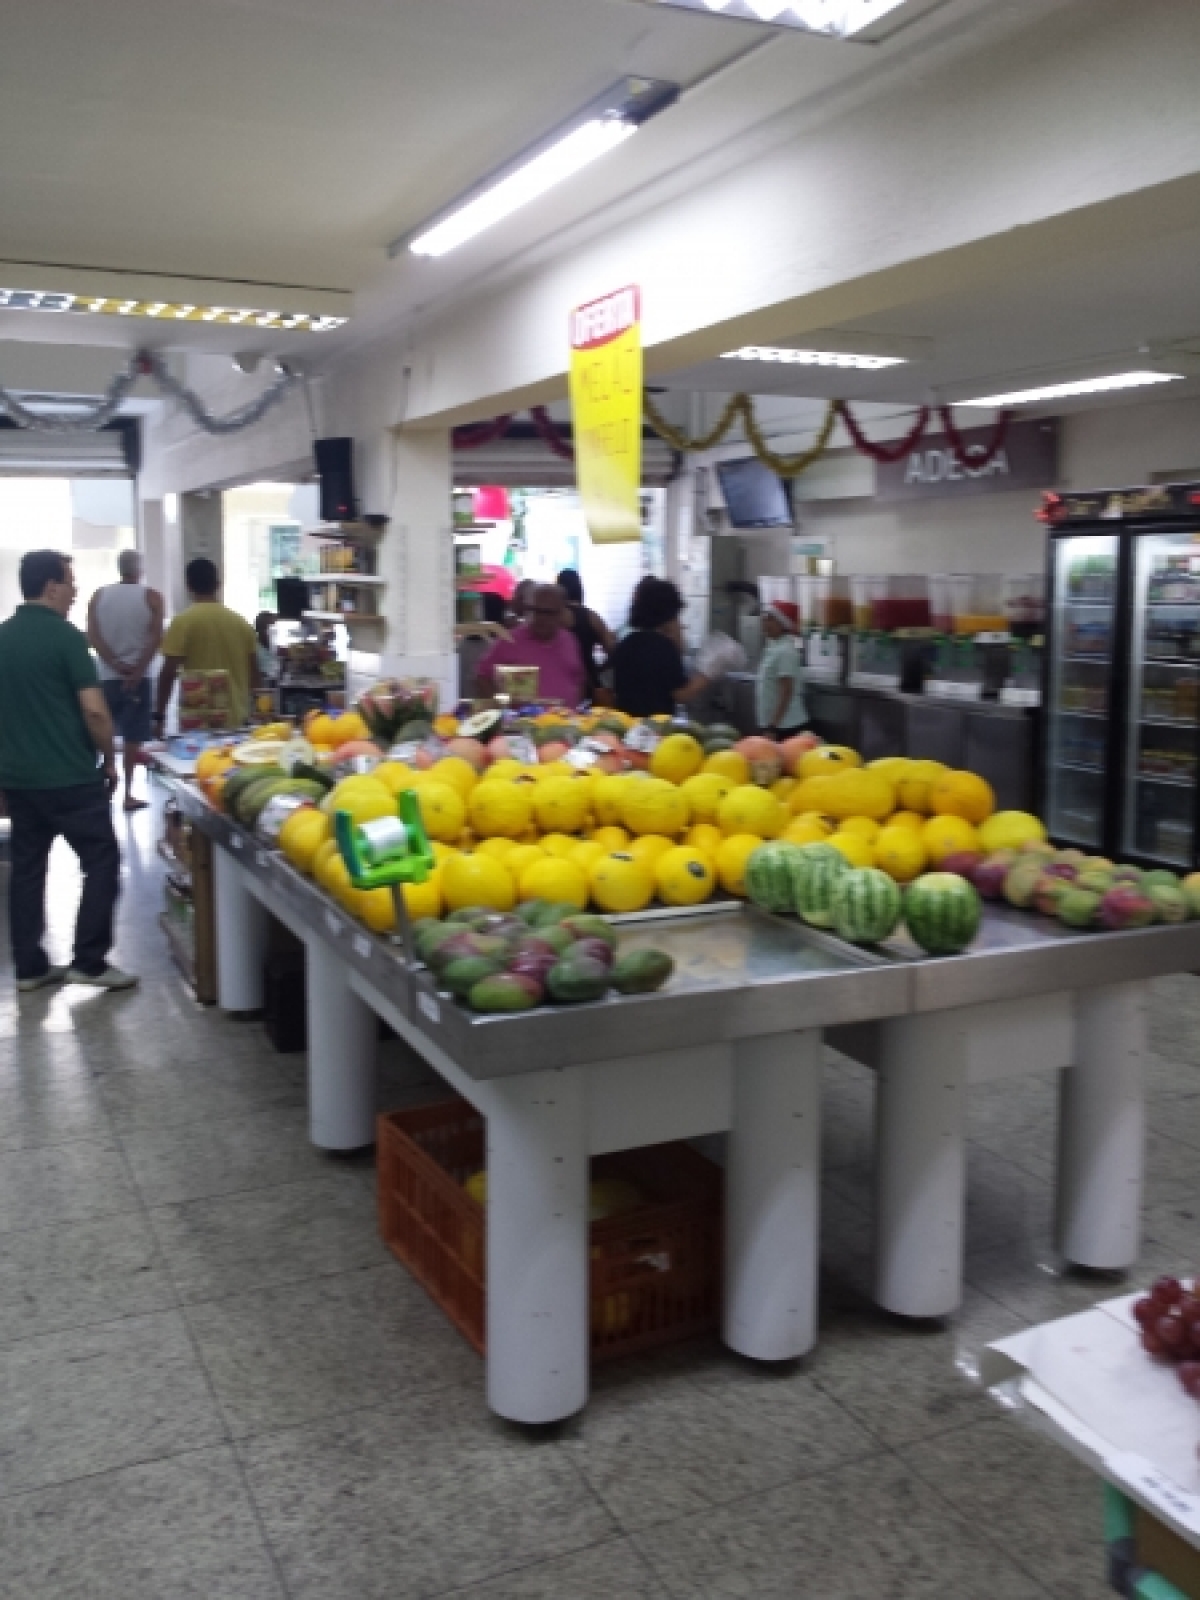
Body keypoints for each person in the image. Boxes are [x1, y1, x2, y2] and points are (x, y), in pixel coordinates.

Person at [0, 550, 137, 992]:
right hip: (71, 779)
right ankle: (90, 962)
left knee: (27, 870)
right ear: (50, 586)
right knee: (101, 861)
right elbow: (95, 712)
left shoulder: (2, 637)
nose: (76, 590)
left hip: (19, 782)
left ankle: (29, 967)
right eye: (70, 581)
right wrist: (111, 759)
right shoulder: (66, 638)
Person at [87, 549, 164, 811]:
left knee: (102, 733)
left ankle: (103, 784)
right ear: (139, 569)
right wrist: (138, 671)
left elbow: (93, 636)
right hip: (139, 681)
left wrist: (115, 664)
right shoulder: (152, 597)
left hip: (106, 676)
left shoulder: (99, 596)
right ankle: (128, 794)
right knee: (132, 738)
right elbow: (156, 637)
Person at [154, 559, 259, 733]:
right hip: (236, 719)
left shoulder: (182, 623)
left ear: (188, 586)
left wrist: (159, 716)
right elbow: (255, 676)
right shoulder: (241, 623)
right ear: (218, 584)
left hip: (197, 721)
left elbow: (168, 673)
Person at [610, 577, 709, 718]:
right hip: (657, 729)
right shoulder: (665, 648)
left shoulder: (625, 644)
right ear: (669, 613)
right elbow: (681, 695)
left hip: (627, 726)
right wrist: (709, 672)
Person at [476, 582, 586, 705]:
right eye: (536, 610)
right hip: (522, 723)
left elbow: (579, 680)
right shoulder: (508, 640)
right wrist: (501, 706)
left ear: (560, 613)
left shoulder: (570, 640)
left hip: (565, 722)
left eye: (548, 612)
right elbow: (482, 678)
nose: (541, 618)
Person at [556, 568, 614, 697]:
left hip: (560, 682)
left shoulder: (553, 618)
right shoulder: (592, 617)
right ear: (579, 588)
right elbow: (614, 652)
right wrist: (599, 669)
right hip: (590, 685)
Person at [756, 599, 810, 738]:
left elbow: (787, 691)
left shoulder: (786, 651)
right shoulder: (774, 646)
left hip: (786, 726)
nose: (765, 623)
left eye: (770, 619)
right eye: (765, 618)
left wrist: (773, 727)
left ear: (783, 624)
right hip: (774, 723)